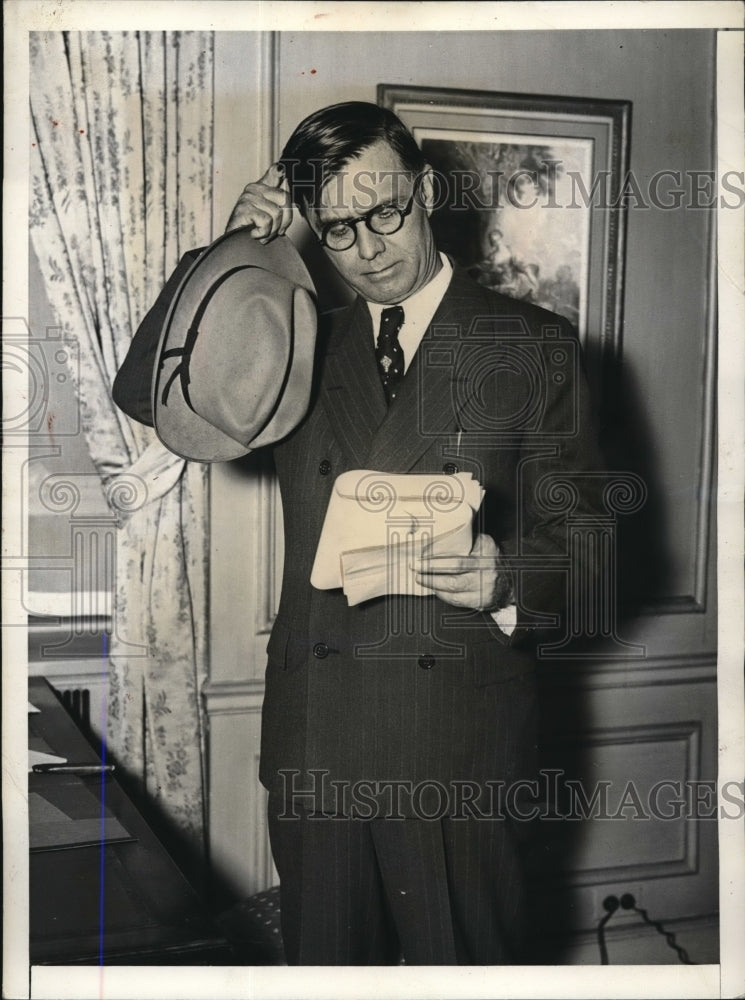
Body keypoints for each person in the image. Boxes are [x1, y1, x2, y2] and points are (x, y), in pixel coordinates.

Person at [114, 101, 605, 965]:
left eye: (385, 213)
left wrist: (505, 576)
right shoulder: (297, 345)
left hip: (453, 750)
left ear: (422, 191)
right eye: (338, 230)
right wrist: (226, 254)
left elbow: (594, 549)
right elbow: (149, 397)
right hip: (318, 742)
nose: (369, 248)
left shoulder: (529, 345)